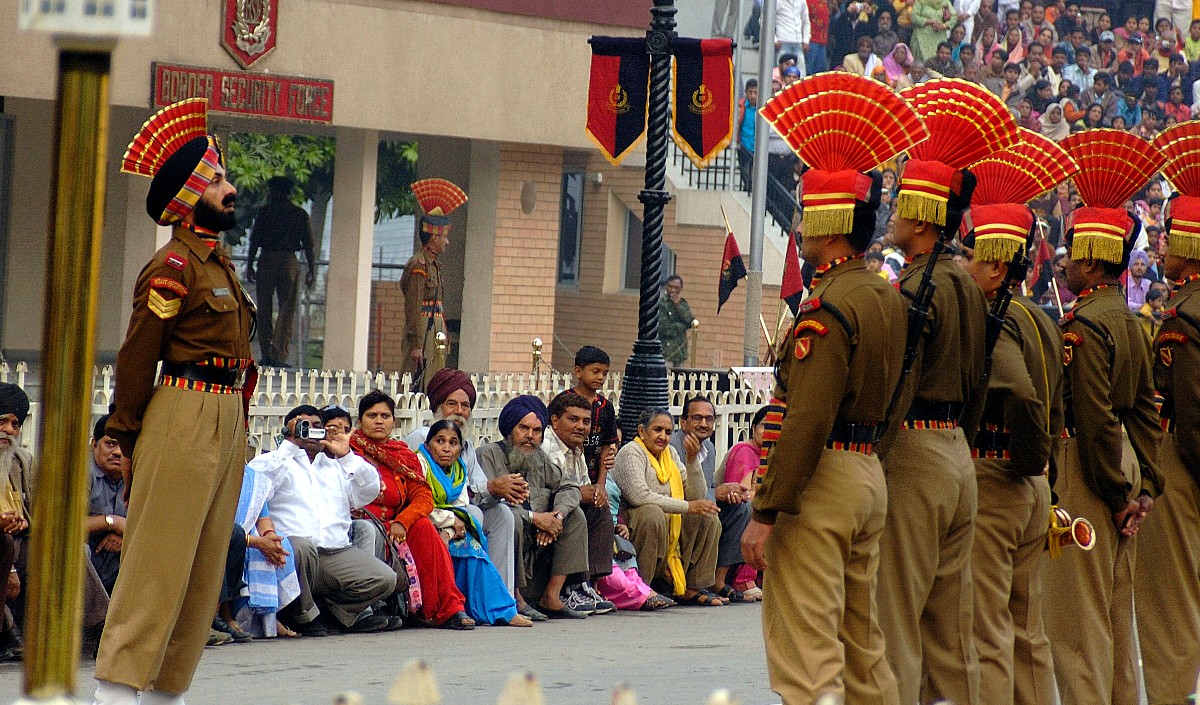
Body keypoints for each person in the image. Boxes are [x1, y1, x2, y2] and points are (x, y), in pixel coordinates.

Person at [740, 70, 920, 705]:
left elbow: (806, 417)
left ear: (834, 221)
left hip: (821, 480)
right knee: (862, 643)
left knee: (808, 646)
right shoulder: (885, 296)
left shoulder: (828, 307)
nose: (802, 228)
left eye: (809, 214)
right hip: (867, 468)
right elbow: (902, 392)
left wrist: (766, 509)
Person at [95, 100, 256, 705]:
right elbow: (139, 355)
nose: (229, 188)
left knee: (201, 570)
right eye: (215, 180)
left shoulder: (220, 265)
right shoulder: (171, 266)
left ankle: (166, 693)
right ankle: (114, 694)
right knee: (156, 567)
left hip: (225, 418)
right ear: (189, 196)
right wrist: (125, 433)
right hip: (182, 414)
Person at [878, 78, 1016, 705]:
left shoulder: (915, 287)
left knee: (899, 615)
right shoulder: (967, 286)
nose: (893, 214)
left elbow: (899, 380)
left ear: (925, 216)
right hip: (959, 450)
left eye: (903, 204)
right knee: (949, 623)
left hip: (916, 450)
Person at [1047, 130, 1164, 705]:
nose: (1065, 261)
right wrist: (1146, 487)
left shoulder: (1083, 328)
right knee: (1118, 617)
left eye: (1073, 251)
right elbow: (1144, 412)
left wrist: (1117, 496)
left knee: (1078, 623)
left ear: (1094, 259)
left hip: (1090, 473)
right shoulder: (1132, 319)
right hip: (1125, 468)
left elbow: (1092, 421)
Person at [958, 131, 1070, 705]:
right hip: (1030, 489)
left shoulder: (996, 319)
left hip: (1000, 478)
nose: (963, 267)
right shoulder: (1043, 317)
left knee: (987, 631)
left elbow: (1026, 398)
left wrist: (1027, 461)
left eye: (971, 257)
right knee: (1028, 632)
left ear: (998, 267)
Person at [1135, 123, 1200, 705]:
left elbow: (1190, 408)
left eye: (1171, 235)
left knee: (1171, 600)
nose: (1162, 245)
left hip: (1185, 462)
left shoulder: (1181, 318)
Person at [245, 405, 397, 637]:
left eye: (318, 426)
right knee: (302, 546)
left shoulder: (336, 466)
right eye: (304, 426)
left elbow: (369, 491)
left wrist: (347, 456)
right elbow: (258, 490)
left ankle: (331, 612)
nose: (312, 432)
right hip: (293, 553)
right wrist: (290, 444)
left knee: (385, 579)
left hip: (334, 553)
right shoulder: (275, 461)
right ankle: (302, 615)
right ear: (289, 430)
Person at [349, 391, 476, 630]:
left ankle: (448, 608)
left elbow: (423, 495)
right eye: (372, 415)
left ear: (393, 421)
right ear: (360, 421)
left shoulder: (403, 455)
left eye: (385, 416)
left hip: (396, 525)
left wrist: (404, 520)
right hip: (362, 522)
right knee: (370, 531)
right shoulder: (349, 451)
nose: (379, 421)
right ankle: (369, 608)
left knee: (424, 526)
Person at [404, 369, 519, 600]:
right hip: (426, 512)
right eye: (452, 404)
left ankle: (500, 597)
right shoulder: (423, 437)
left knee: (503, 514)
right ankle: (466, 596)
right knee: (473, 512)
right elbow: (422, 491)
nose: (459, 411)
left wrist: (498, 488)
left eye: (465, 405)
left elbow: (476, 489)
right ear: (437, 406)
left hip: (458, 510)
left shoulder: (465, 445)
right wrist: (490, 488)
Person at [477, 395, 592, 619]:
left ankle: (552, 596)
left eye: (537, 431)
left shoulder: (539, 457)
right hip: (506, 538)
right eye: (523, 428)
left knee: (575, 515)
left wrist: (556, 517)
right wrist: (535, 518)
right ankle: (515, 598)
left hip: (537, 545)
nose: (530, 436)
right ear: (510, 430)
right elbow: (486, 505)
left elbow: (568, 488)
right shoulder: (488, 455)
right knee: (511, 518)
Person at [417, 419, 531, 627]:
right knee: (468, 542)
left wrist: (448, 532)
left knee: (472, 546)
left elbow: (461, 507)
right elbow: (421, 506)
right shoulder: (420, 465)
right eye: (440, 441)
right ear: (428, 445)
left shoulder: (458, 470)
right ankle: (493, 609)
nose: (446, 448)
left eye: (453, 443)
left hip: (447, 528)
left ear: (460, 449)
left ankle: (497, 609)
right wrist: (450, 523)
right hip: (421, 524)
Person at [611, 408, 724, 606]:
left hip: (668, 520)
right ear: (642, 431)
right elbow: (640, 496)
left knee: (708, 516)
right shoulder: (632, 452)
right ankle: (643, 587)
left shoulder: (670, 453)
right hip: (633, 522)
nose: (663, 436)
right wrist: (687, 507)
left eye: (668, 432)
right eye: (657, 430)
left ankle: (692, 587)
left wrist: (692, 460)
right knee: (652, 513)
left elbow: (696, 495)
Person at [669, 396, 751, 603]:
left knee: (743, 508)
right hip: (678, 508)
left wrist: (732, 491)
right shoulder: (673, 447)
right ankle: (694, 583)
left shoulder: (709, 448)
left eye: (709, 419)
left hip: (701, 502)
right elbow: (681, 492)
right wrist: (716, 493)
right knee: (710, 515)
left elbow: (707, 486)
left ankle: (718, 579)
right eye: (697, 418)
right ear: (683, 422)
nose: (704, 424)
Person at [541, 393, 617, 615]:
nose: (581, 427)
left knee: (600, 506)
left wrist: (595, 493)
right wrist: (580, 493)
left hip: (566, 507)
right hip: (549, 510)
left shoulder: (576, 448)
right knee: (578, 512)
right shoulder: (548, 447)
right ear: (555, 420)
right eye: (573, 419)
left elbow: (584, 486)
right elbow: (560, 492)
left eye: (586, 421)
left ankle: (587, 586)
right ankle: (571, 587)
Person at [401, 178, 466, 391]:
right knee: (417, 382)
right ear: (432, 237)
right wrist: (416, 344)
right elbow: (414, 306)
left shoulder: (434, 265)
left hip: (435, 327)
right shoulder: (419, 264)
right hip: (423, 328)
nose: (447, 242)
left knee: (435, 381)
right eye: (443, 237)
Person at [245, 175, 313, 368]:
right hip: (289, 260)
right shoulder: (298, 214)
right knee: (287, 308)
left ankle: (267, 353)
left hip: (267, 258)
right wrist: (311, 270)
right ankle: (280, 354)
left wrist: (250, 264)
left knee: (264, 307)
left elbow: (254, 241)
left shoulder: (265, 212)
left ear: (273, 191)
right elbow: (309, 245)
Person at [716, 405, 767, 600]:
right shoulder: (745, 451)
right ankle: (742, 577)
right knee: (755, 508)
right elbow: (743, 494)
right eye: (764, 426)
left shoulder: (771, 455)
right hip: (729, 509)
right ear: (754, 428)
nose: (768, 433)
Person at [86, 413, 127, 595]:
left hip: (116, 557)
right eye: (110, 444)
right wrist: (114, 522)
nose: (118, 452)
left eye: (124, 446)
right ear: (94, 444)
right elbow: (66, 527)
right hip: (87, 551)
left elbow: (155, 525)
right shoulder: (82, 472)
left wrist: (124, 537)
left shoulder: (137, 474)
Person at [657, 275, 696, 368]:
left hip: (679, 352)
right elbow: (664, 328)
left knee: (679, 380)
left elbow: (691, 322)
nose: (673, 290)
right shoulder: (661, 304)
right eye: (670, 287)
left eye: (676, 288)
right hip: (666, 352)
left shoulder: (682, 303)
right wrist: (681, 326)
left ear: (681, 288)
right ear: (666, 286)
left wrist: (678, 306)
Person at [735, 79, 758, 191]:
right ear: (746, 92)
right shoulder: (741, 106)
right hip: (744, 147)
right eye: (750, 92)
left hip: (757, 148)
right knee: (746, 174)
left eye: (755, 92)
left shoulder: (762, 108)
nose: (753, 95)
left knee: (755, 177)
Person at [776, 0, 812, 72]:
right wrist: (774, 39)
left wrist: (806, 40)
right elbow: (764, 20)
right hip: (783, 42)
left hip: (798, 44)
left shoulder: (801, 1)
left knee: (801, 74)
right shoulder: (777, 1)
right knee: (783, 74)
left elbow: (806, 21)